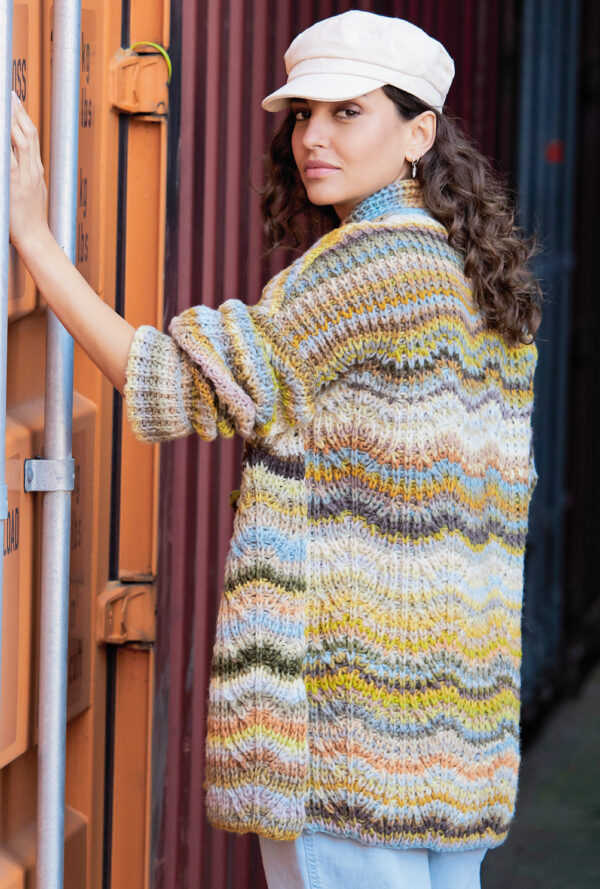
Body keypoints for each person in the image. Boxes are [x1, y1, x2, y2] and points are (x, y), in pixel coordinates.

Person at [9, 10, 541, 889]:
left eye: (347, 112)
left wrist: (34, 238)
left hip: (348, 749)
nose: (312, 137)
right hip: (451, 749)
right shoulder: (474, 275)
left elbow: (172, 381)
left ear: (419, 133)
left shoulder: (372, 268)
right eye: (302, 114)